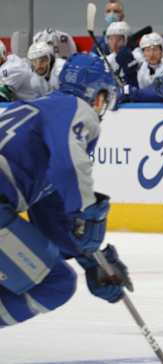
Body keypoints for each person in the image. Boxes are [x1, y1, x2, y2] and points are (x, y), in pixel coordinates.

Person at [0, 53, 132, 328]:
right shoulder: (76, 108)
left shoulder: (38, 111)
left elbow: (49, 219)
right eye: (104, 99)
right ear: (97, 95)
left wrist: (90, 259)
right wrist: (88, 212)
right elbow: (68, 165)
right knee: (56, 283)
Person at [105, 21, 142, 88]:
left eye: (119, 40)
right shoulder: (109, 59)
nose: (114, 44)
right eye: (111, 39)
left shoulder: (138, 56)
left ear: (127, 40)